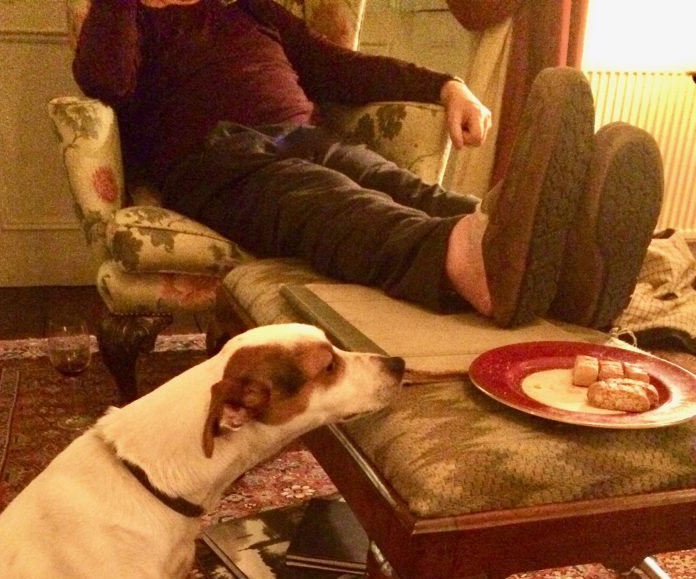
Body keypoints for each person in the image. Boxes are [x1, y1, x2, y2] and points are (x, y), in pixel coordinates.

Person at [73, 0, 663, 331]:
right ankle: (474, 270)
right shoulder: (131, 18)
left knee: (397, 184)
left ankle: (562, 269)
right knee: (325, 198)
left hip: (300, 137)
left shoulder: (250, 8)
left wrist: (446, 86)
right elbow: (104, 80)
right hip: (214, 160)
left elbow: (338, 68)